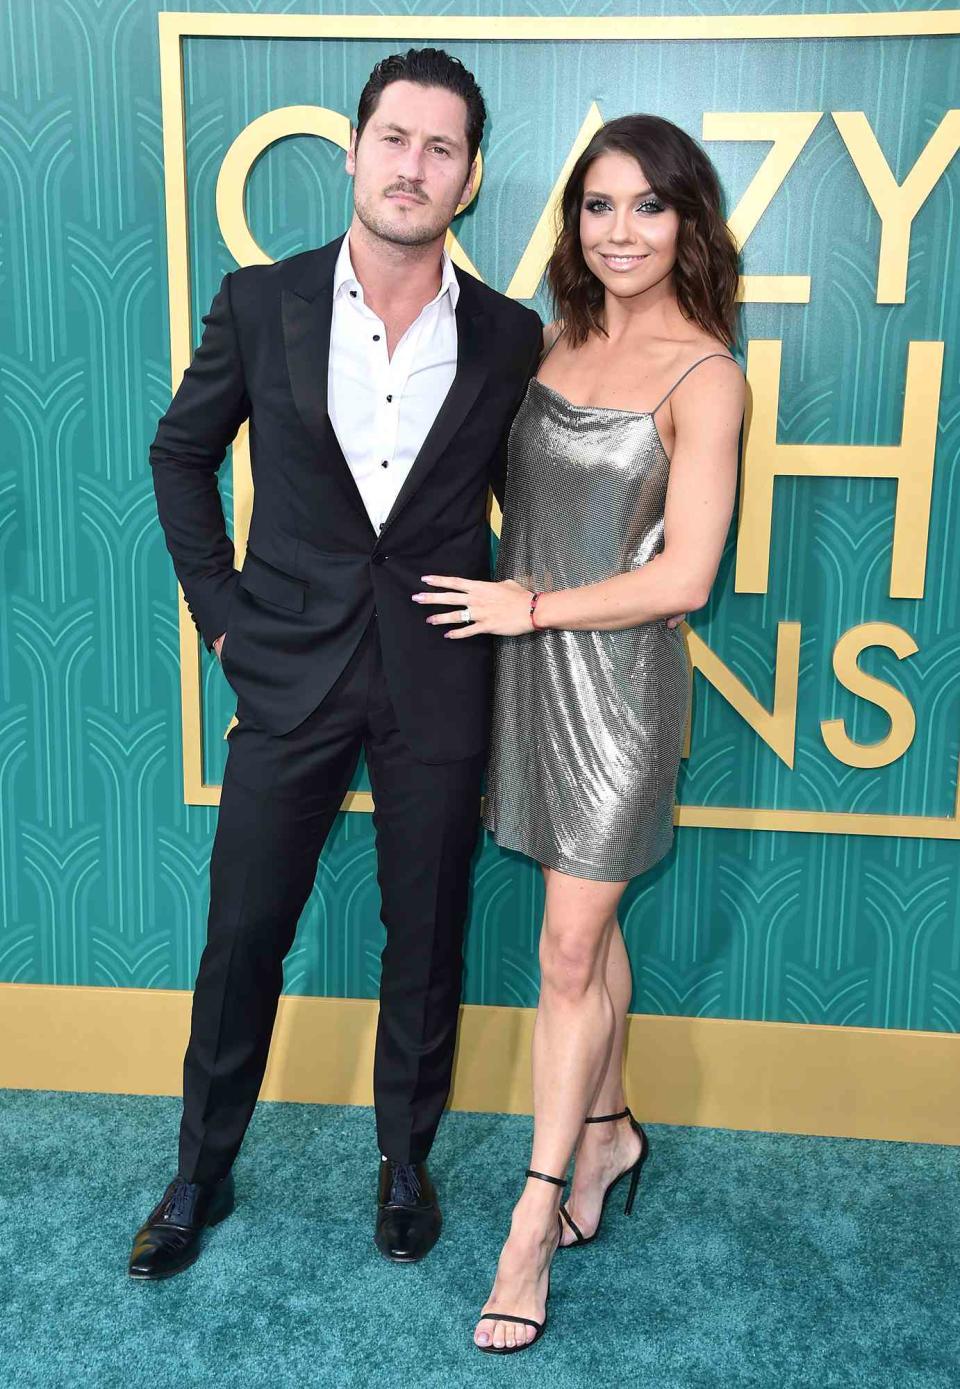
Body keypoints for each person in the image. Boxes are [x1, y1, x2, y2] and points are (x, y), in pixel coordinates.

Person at [130, 48, 541, 1280]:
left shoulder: (512, 337)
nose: (414, 166)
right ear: (354, 151)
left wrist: (556, 598)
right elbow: (179, 455)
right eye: (395, 139)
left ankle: (403, 1163)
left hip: (439, 676)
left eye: (442, 148)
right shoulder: (261, 303)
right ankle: (200, 1170)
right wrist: (219, 617)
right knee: (243, 931)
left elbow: (538, 497)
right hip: (287, 669)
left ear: (468, 180)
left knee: (425, 935)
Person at [412, 113, 745, 1351]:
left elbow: (688, 579)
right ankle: (609, 1135)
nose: (620, 232)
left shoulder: (707, 376)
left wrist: (531, 606)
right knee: (584, 943)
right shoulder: (553, 341)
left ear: (688, 223)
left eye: (647, 208)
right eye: (598, 207)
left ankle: (533, 1218)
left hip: (618, 694)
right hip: (526, 680)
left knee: (564, 951)